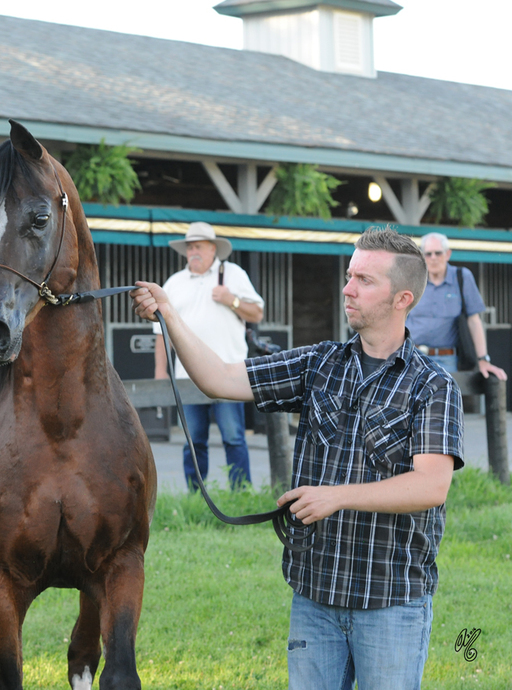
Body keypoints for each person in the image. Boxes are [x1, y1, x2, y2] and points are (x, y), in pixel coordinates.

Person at [133, 227, 462, 689]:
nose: (348, 289)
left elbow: (431, 486)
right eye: (349, 276)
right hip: (314, 596)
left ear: (402, 298)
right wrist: (169, 313)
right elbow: (219, 378)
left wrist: (336, 497)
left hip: (391, 600)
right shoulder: (319, 364)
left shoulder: (433, 385)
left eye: (364, 280)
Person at [153, 221, 264, 491]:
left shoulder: (233, 274)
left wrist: (231, 300)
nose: (193, 252)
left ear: (213, 249)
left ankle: (241, 493)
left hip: (230, 373)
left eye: (199, 247)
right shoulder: (174, 283)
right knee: (193, 440)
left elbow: (257, 313)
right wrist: (160, 370)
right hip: (188, 375)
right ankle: (197, 495)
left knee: (233, 437)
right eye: (190, 247)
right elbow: (161, 332)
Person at [406, 232, 507, 380]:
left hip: (448, 360)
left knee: (445, 395)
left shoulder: (462, 277)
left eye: (438, 253)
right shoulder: (412, 279)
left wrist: (483, 359)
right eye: (428, 254)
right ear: (422, 256)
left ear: (447, 254)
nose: (433, 258)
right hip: (412, 357)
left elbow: (474, 321)